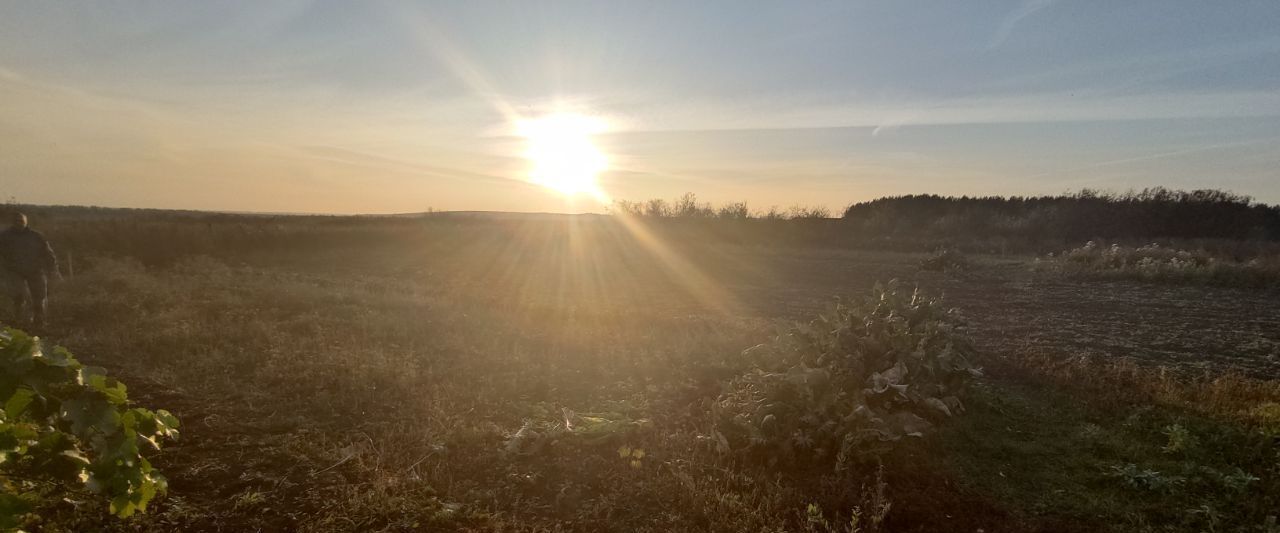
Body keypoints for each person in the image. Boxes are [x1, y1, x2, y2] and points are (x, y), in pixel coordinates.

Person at [0, 212, 59, 327]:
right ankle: (19, 321)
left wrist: (53, 268)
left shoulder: (36, 236)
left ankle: (40, 321)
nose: (19, 224)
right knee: (19, 295)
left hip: (35, 270)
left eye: (21, 221)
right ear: (13, 223)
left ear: (26, 222)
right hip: (14, 271)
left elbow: (48, 252)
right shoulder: (4, 236)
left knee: (40, 296)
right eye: (16, 221)